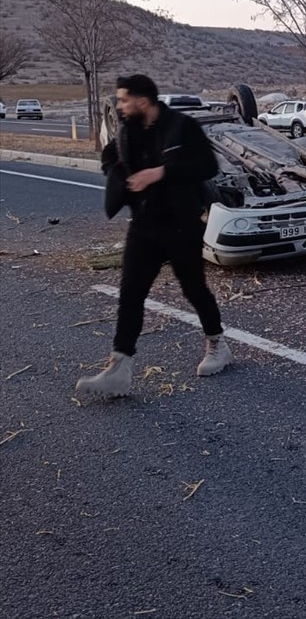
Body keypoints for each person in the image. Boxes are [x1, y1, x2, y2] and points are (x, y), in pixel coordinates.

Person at [76, 75, 231, 397]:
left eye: (123, 100)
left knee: (194, 289)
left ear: (142, 101)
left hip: (181, 225)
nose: (119, 106)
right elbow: (109, 156)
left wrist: (160, 172)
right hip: (143, 226)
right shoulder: (127, 130)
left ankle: (217, 344)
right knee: (130, 295)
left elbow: (208, 166)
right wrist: (119, 177)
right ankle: (119, 368)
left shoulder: (181, 126)